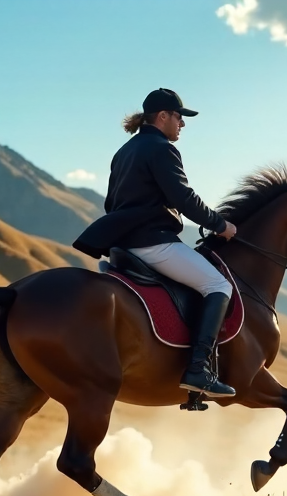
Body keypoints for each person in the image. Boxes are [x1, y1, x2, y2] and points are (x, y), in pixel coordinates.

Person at [96, 88, 238, 398]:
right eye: (179, 117)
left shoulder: (125, 151)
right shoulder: (162, 149)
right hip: (153, 244)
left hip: (124, 247)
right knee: (218, 285)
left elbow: (112, 203)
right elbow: (183, 198)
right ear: (163, 117)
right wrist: (220, 224)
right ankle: (198, 370)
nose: (182, 125)